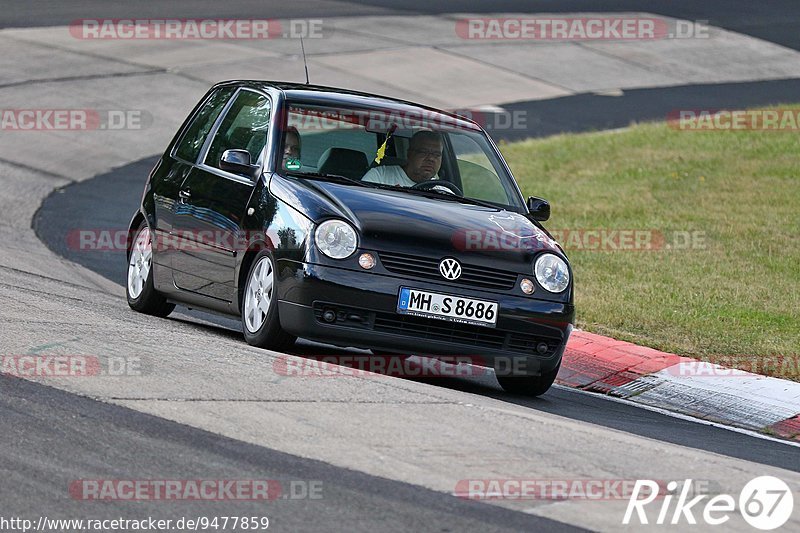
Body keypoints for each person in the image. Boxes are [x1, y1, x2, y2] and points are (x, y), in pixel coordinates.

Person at [362, 130, 443, 186]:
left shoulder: (443, 192)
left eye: (436, 154)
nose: (431, 159)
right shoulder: (379, 177)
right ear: (409, 154)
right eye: (424, 152)